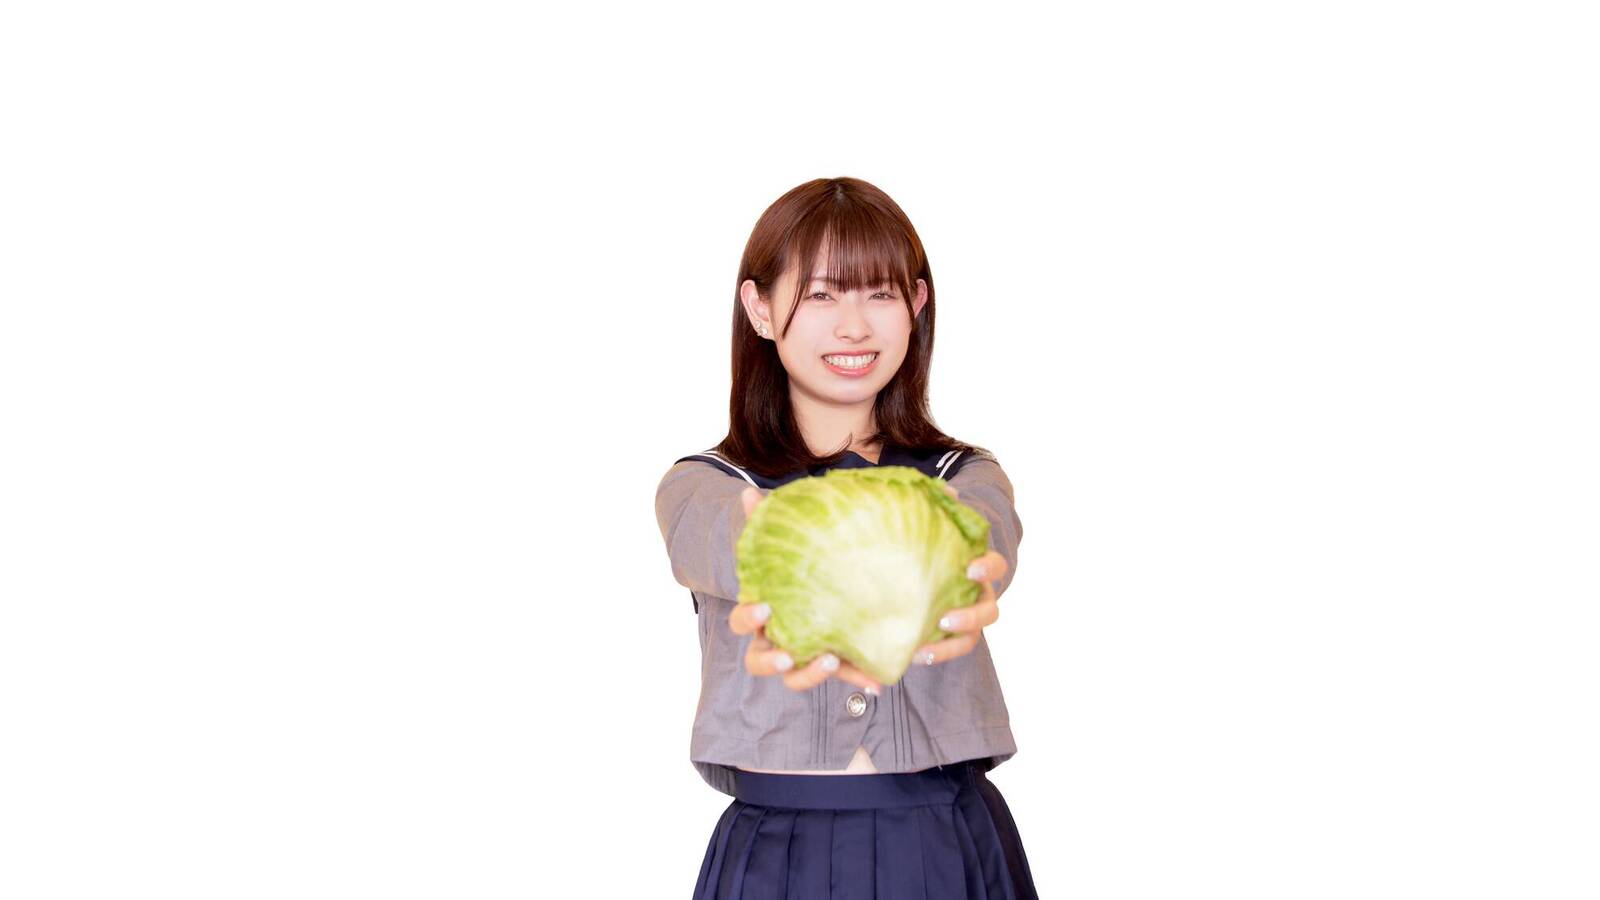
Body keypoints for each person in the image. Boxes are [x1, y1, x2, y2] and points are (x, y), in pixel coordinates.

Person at [654, 176, 1038, 899]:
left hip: (945, 845)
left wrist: (961, 576)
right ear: (759, 308)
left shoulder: (966, 476)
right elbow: (720, 540)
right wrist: (784, 557)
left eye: (879, 294)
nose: (854, 327)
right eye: (822, 294)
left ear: (916, 304)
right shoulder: (702, 485)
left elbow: (986, 543)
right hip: (776, 856)